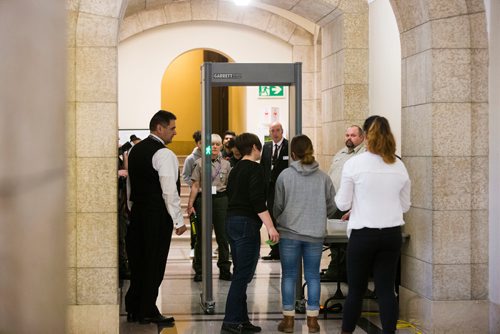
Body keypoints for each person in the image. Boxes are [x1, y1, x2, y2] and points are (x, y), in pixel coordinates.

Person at [335, 116, 411, 334]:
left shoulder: (354, 164)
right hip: (391, 235)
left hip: (362, 235)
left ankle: (346, 332)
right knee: (386, 290)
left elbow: (342, 202)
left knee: (356, 291)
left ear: (366, 136)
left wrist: (358, 205)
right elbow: (405, 205)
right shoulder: (399, 165)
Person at [125, 110, 187, 325]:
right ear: (159, 128)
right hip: (157, 216)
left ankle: (133, 307)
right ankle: (147, 310)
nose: (175, 133)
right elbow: (169, 190)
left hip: (139, 213)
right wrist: (178, 221)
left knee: (138, 262)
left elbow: (129, 184)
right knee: (154, 263)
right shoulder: (164, 154)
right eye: (172, 128)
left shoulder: (134, 151)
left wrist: (132, 209)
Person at [273, 135, 336, 333]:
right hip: (315, 235)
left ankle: (289, 321)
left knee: (289, 276)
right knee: (313, 276)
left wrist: (281, 219)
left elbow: (278, 206)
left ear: (292, 154)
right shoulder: (324, 177)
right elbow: (333, 206)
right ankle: (313, 321)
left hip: (289, 233)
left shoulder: (285, 176)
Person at [221, 133, 280, 334]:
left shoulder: (236, 168)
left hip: (231, 222)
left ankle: (242, 319)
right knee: (242, 275)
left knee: (240, 272)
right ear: (255, 147)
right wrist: (270, 227)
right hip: (246, 224)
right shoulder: (256, 169)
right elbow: (257, 201)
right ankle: (230, 320)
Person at [321, 125, 366, 281]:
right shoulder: (340, 153)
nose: (349, 138)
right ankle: (336, 270)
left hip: (351, 204)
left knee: (347, 242)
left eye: (353, 135)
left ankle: (344, 272)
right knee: (335, 241)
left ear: (362, 137)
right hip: (335, 202)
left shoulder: (364, 155)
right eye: (347, 134)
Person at [187, 133, 232, 282]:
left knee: (222, 236)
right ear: (206, 146)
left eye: (217, 144)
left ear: (221, 147)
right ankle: (199, 270)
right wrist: (190, 204)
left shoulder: (226, 164)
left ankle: (225, 269)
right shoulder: (200, 163)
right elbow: (195, 185)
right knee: (201, 236)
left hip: (220, 200)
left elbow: (229, 186)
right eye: (211, 144)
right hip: (203, 200)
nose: (214, 147)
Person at [260, 122, 288, 260]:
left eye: (277, 130)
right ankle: (274, 250)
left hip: (284, 188)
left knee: (282, 218)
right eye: (272, 130)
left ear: (282, 131)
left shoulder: (288, 146)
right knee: (271, 217)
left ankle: (283, 249)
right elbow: (263, 167)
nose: (275, 133)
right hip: (269, 189)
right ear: (269, 132)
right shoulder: (266, 147)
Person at [181, 130, 203, 257]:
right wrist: (196, 186)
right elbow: (185, 176)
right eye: (201, 143)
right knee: (195, 223)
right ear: (197, 143)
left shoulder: (211, 155)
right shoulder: (190, 158)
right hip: (196, 195)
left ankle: (204, 248)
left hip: (211, 194)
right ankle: (193, 246)